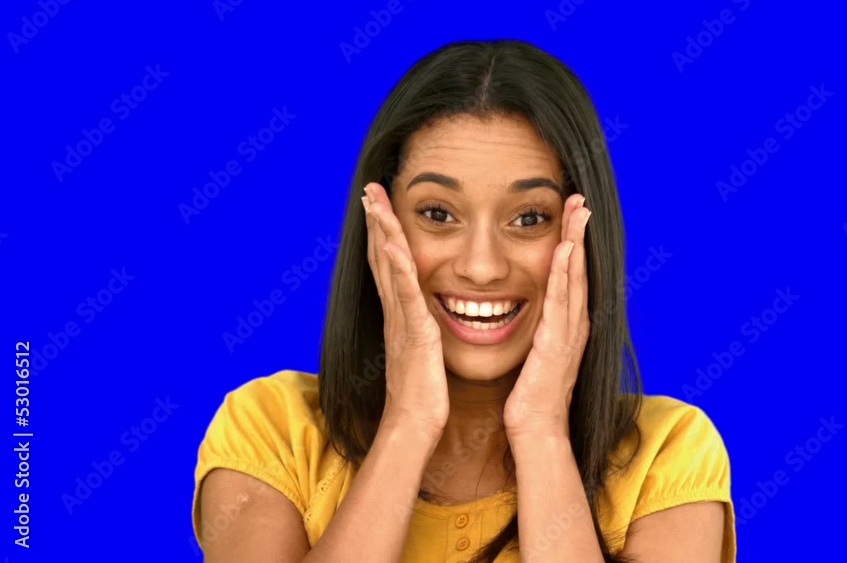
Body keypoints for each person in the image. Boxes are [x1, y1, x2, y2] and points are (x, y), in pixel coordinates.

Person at [191, 39, 736, 562]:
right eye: (437, 214)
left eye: (529, 218)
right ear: (380, 224)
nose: (481, 267)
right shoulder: (271, 429)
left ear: (585, 235)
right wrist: (408, 422)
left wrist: (542, 431)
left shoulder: (669, 455)